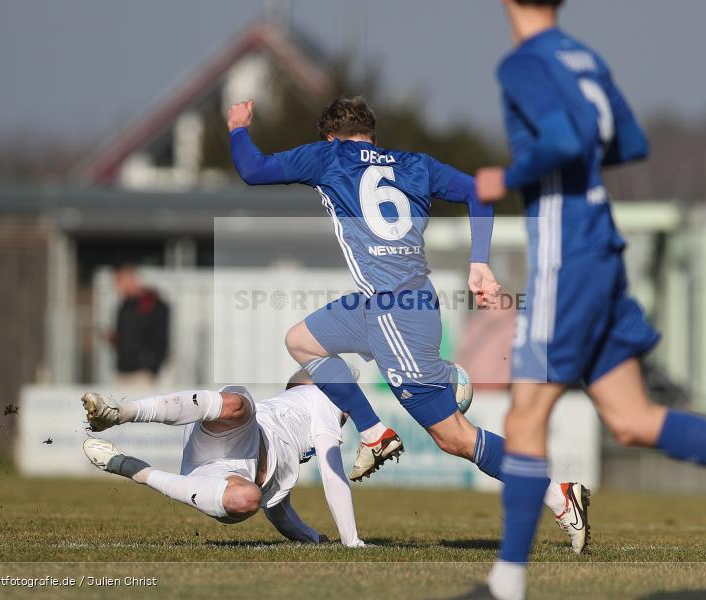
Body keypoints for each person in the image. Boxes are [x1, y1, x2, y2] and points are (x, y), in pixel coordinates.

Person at [473, 1, 706, 597]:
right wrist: (576, 153)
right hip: (603, 247)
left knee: (524, 417)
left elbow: (561, 139)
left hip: (569, 254)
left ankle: (506, 586)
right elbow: (627, 140)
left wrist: (505, 179)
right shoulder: (583, 56)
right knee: (633, 419)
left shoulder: (522, 64)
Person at [227, 96, 590, 553]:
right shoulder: (415, 164)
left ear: (330, 135)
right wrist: (479, 262)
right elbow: (481, 190)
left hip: (396, 312)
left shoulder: (329, 156)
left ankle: (557, 494)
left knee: (454, 437)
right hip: (383, 304)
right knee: (301, 341)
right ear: (372, 135)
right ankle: (375, 431)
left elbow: (253, 169)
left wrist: (238, 128)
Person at [81, 372, 363, 546]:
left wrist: (311, 537)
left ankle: (133, 468)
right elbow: (332, 473)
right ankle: (120, 413)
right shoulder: (323, 396)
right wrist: (352, 541)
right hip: (232, 433)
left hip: (213, 472)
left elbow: (276, 505)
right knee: (238, 404)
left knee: (247, 499)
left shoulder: (296, 437)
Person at [111, 265, 170, 387]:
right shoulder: (125, 306)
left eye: (120, 282)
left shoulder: (153, 305)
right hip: (123, 371)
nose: (118, 288)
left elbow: (160, 339)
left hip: (143, 374)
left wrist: (151, 368)